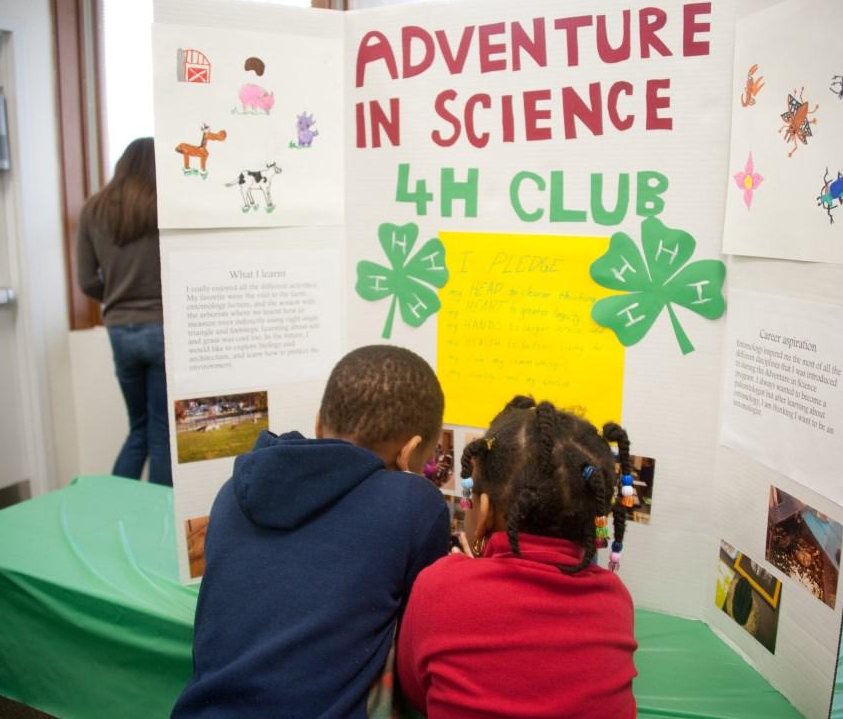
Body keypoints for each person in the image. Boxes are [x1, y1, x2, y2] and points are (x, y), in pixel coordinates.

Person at [172, 345, 450, 719]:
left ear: (318, 424)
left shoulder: (232, 494)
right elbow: (417, 635)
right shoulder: (414, 503)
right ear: (411, 452)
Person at [397, 396, 639, 719]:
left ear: (484, 511)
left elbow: (415, 692)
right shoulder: (616, 600)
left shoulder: (437, 586)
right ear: (595, 523)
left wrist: (466, 572)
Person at [76, 137, 171, 486]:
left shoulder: (94, 208)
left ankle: (115, 506)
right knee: (162, 432)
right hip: (161, 328)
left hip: (119, 331)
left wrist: (116, 296)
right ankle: (160, 513)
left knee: (139, 429)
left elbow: (87, 281)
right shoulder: (163, 205)